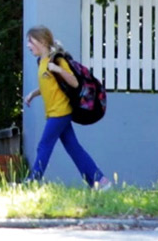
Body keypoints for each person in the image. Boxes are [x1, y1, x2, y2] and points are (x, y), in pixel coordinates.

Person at [23, 26, 111, 189]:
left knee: (44, 145)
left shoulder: (56, 60)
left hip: (61, 112)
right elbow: (48, 86)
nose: (28, 45)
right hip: (53, 113)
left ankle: (33, 180)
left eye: (30, 41)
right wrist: (32, 95)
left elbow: (74, 82)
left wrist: (57, 69)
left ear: (42, 41)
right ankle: (99, 181)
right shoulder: (41, 62)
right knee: (73, 147)